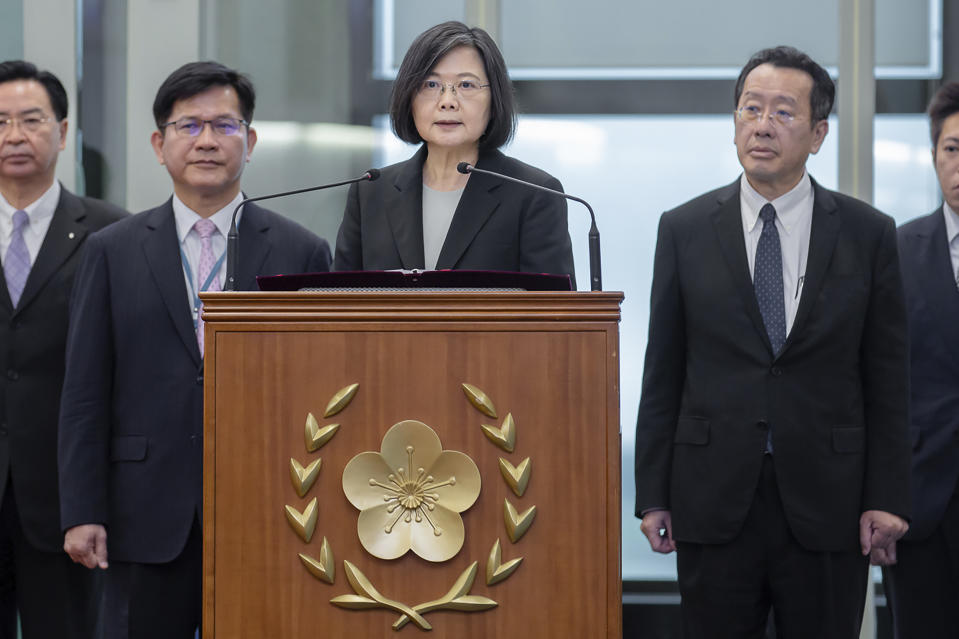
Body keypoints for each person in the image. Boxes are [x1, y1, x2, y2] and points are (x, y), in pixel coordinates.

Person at [633, 46, 911, 638]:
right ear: (734, 121)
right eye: (750, 109)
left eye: (783, 113)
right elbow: (664, 369)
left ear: (818, 134)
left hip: (829, 500)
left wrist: (887, 496)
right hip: (712, 495)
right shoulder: (682, 229)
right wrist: (652, 493)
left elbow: (888, 379)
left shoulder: (868, 234)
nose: (762, 124)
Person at [56, 61, 331, 638]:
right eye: (189, 126)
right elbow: (83, 392)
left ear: (250, 141)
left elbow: (322, 392)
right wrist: (83, 509)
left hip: (270, 508)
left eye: (225, 126)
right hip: (141, 513)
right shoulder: (112, 251)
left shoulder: (301, 251)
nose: (207, 140)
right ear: (160, 144)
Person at [0, 60, 127, 639]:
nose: (14, 136)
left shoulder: (110, 235)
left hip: (64, 502)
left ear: (63, 130)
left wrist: (95, 499)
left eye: (30, 120)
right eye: (0, 121)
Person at [333, 21, 576, 288]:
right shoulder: (370, 193)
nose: (447, 101)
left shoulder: (535, 195)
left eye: (466, 85)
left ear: (494, 101)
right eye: (431, 84)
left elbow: (554, 318)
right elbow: (337, 306)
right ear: (409, 98)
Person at [882, 81, 959, 637]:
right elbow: (873, 382)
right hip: (921, 503)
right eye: (953, 149)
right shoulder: (896, 251)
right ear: (934, 156)